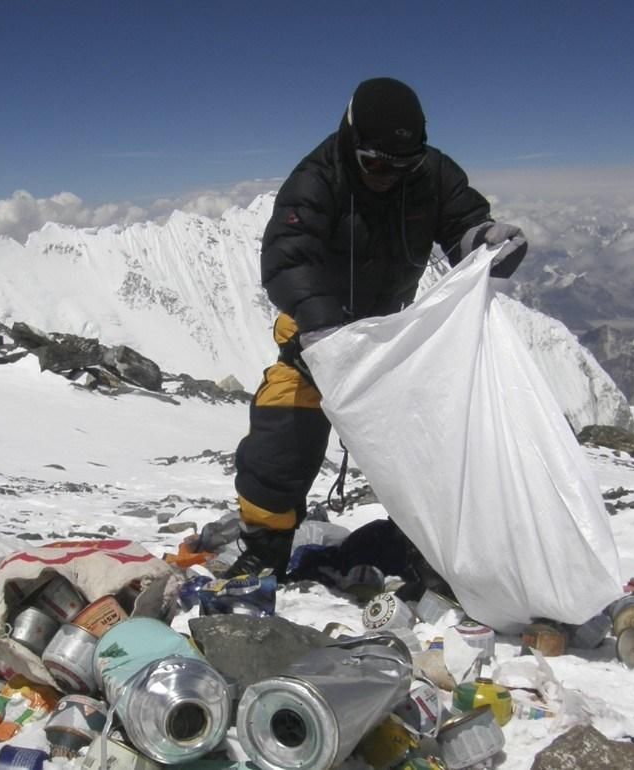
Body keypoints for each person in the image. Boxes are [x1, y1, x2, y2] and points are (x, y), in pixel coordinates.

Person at [226, 76, 529, 579]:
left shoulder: (431, 175)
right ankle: (265, 548)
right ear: (351, 140)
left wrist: (485, 241)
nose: (388, 175)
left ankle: (431, 549)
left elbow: (462, 224)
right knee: (281, 440)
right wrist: (323, 329)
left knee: (432, 445)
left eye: (402, 164)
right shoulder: (316, 180)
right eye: (376, 163)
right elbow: (287, 260)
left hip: (391, 342)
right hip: (314, 343)